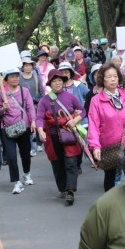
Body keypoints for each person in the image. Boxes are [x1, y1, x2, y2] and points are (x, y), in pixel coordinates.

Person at [88, 63, 125, 191]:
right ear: (102, 79)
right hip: (109, 146)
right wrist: (95, 146)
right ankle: (110, 205)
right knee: (110, 177)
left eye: (115, 76)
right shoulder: (96, 100)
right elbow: (93, 125)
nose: (113, 79)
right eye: (109, 77)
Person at [36, 69, 86, 205]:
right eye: (54, 81)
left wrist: (75, 120)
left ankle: (70, 191)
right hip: (52, 137)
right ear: (50, 84)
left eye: (59, 80)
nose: (57, 83)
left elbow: (83, 111)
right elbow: (39, 117)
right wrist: (40, 130)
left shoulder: (70, 97)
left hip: (68, 133)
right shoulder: (44, 101)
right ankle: (63, 188)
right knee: (57, 164)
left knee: (71, 162)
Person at [0, 68, 36, 194]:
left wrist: (33, 121)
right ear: (6, 80)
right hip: (7, 129)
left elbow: (30, 107)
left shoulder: (24, 91)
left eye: (16, 76)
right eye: (12, 76)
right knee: (11, 157)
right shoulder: (1, 94)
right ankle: (17, 182)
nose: (15, 79)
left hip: (24, 127)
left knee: (25, 154)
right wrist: (3, 108)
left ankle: (27, 173)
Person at [19, 56, 45, 155]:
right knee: (27, 126)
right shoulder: (19, 78)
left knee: (38, 124)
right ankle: (30, 147)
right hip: (24, 106)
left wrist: (43, 103)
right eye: (26, 65)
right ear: (23, 67)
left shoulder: (36, 77)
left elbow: (42, 91)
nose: (28, 67)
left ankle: (39, 144)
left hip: (36, 104)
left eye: (30, 65)